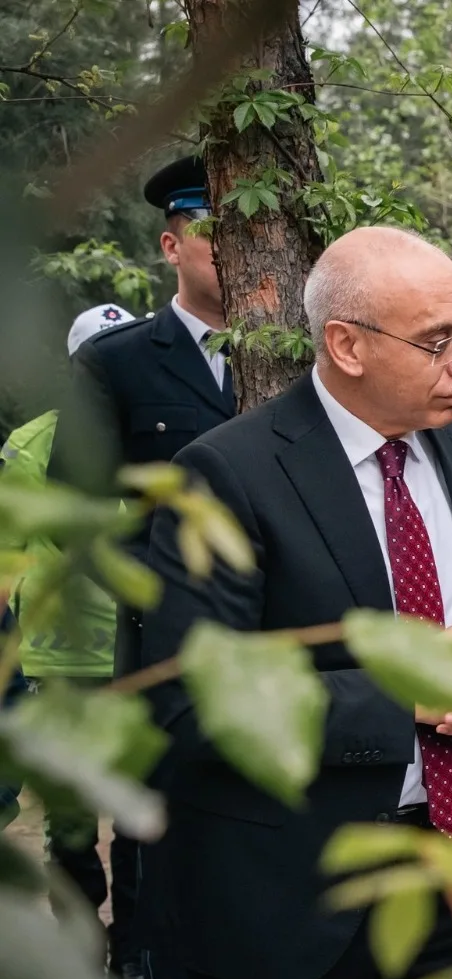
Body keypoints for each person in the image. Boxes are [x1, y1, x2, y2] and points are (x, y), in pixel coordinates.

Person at [137, 226, 452, 979]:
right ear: (346, 345)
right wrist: (400, 699)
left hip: (449, 877)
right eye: (437, 342)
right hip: (278, 902)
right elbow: (189, 701)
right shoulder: (227, 474)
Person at [0, 303, 142, 979]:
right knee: (72, 823)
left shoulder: (158, 433)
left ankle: (141, 956)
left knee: (146, 818)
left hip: (147, 654)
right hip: (61, 666)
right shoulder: (29, 447)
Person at [49, 156, 236, 677]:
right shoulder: (116, 361)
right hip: (163, 644)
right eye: (210, 227)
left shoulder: (299, 357)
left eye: (242, 227)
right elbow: (68, 507)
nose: (229, 244)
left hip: (288, 631)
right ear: (171, 247)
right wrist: (155, 588)